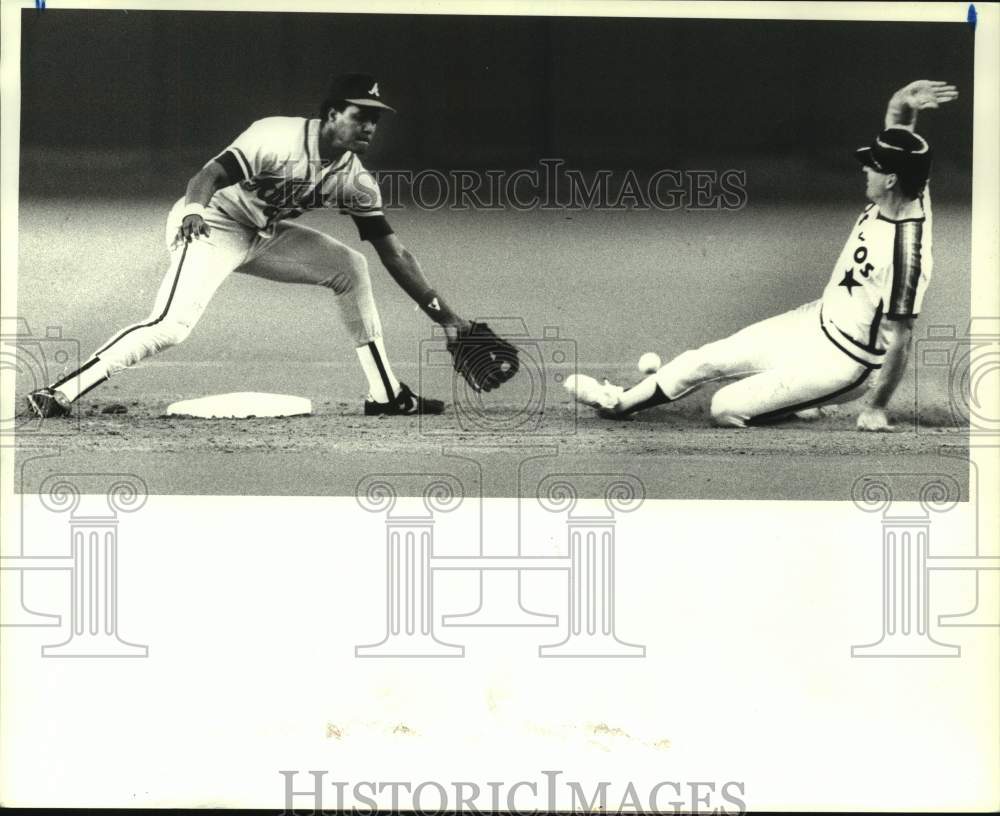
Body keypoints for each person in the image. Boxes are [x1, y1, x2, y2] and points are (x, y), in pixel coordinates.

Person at [26, 73, 517, 419]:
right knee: (171, 326)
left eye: (376, 118)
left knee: (352, 266)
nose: (369, 125)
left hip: (262, 235)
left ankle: (385, 394)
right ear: (331, 115)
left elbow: (396, 253)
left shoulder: (356, 180)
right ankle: (61, 391)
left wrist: (449, 320)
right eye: (359, 114)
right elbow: (210, 175)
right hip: (211, 224)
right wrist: (194, 210)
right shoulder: (276, 136)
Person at [566, 79, 958, 431]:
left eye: (872, 167)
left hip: (846, 364)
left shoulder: (908, 251)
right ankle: (617, 403)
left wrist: (875, 407)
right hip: (811, 322)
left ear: (890, 180)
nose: (864, 171)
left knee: (725, 409)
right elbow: (898, 132)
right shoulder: (908, 184)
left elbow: (901, 340)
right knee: (702, 361)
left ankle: (800, 399)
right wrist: (903, 101)